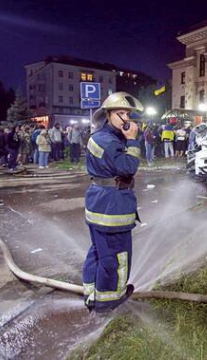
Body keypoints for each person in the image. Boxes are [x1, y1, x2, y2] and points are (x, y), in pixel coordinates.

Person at [82, 91, 143, 313]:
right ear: (108, 115)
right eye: (120, 113)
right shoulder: (107, 140)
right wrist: (133, 140)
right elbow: (127, 167)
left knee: (98, 252)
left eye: (128, 114)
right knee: (116, 257)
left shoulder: (104, 137)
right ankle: (108, 303)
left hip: (102, 203)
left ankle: (91, 295)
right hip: (112, 208)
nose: (126, 118)